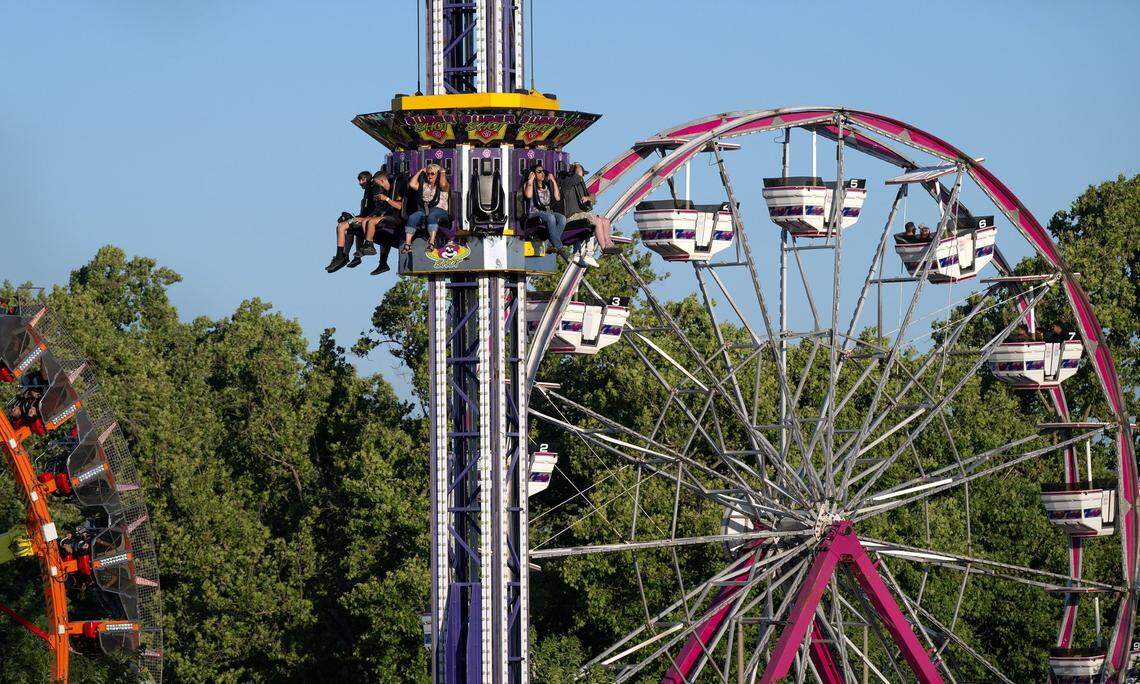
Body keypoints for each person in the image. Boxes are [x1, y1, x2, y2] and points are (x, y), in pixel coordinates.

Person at [558, 162, 615, 268]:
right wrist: (577, 164)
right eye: (582, 174)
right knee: (596, 221)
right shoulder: (567, 184)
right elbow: (578, 173)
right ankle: (600, 249)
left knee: (605, 221)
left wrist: (588, 198)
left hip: (581, 216)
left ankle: (608, 243)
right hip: (571, 216)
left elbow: (593, 196)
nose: (583, 176)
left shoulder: (579, 187)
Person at [326, 171, 377, 273]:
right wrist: (351, 217)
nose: (360, 183)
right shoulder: (367, 192)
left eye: (362, 180)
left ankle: (340, 256)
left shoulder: (373, 189)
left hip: (369, 219)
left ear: (368, 179)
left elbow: (377, 208)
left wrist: (361, 218)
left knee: (341, 226)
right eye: (359, 180)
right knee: (349, 229)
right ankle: (348, 256)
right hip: (363, 218)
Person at [360, 171, 404, 275]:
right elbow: (381, 208)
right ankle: (367, 245)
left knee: (371, 222)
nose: (378, 186)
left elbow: (400, 206)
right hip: (387, 215)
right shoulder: (384, 191)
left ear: (382, 181)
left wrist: (386, 199)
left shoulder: (396, 188)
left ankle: (369, 245)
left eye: (378, 184)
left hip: (397, 218)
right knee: (367, 221)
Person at [402, 164, 452, 253]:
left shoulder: (442, 186)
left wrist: (442, 171)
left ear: (437, 175)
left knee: (432, 216)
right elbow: (412, 184)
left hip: (439, 210)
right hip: (424, 210)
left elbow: (443, 184)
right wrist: (420, 171)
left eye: (432, 174)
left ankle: (431, 242)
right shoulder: (424, 186)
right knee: (412, 217)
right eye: (428, 174)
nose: (429, 176)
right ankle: (408, 244)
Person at [523, 164, 567, 251]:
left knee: (562, 218)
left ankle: (551, 245)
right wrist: (530, 180)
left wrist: (553, 181)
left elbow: (557, 197)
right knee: (550, 217)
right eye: (539, 171)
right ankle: (558, 245)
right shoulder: (528, 183)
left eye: (543, 171)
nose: (542, 173)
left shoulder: (546, 186)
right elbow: (528, 195)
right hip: (533, 213)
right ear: (534, 174)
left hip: (546, 212)